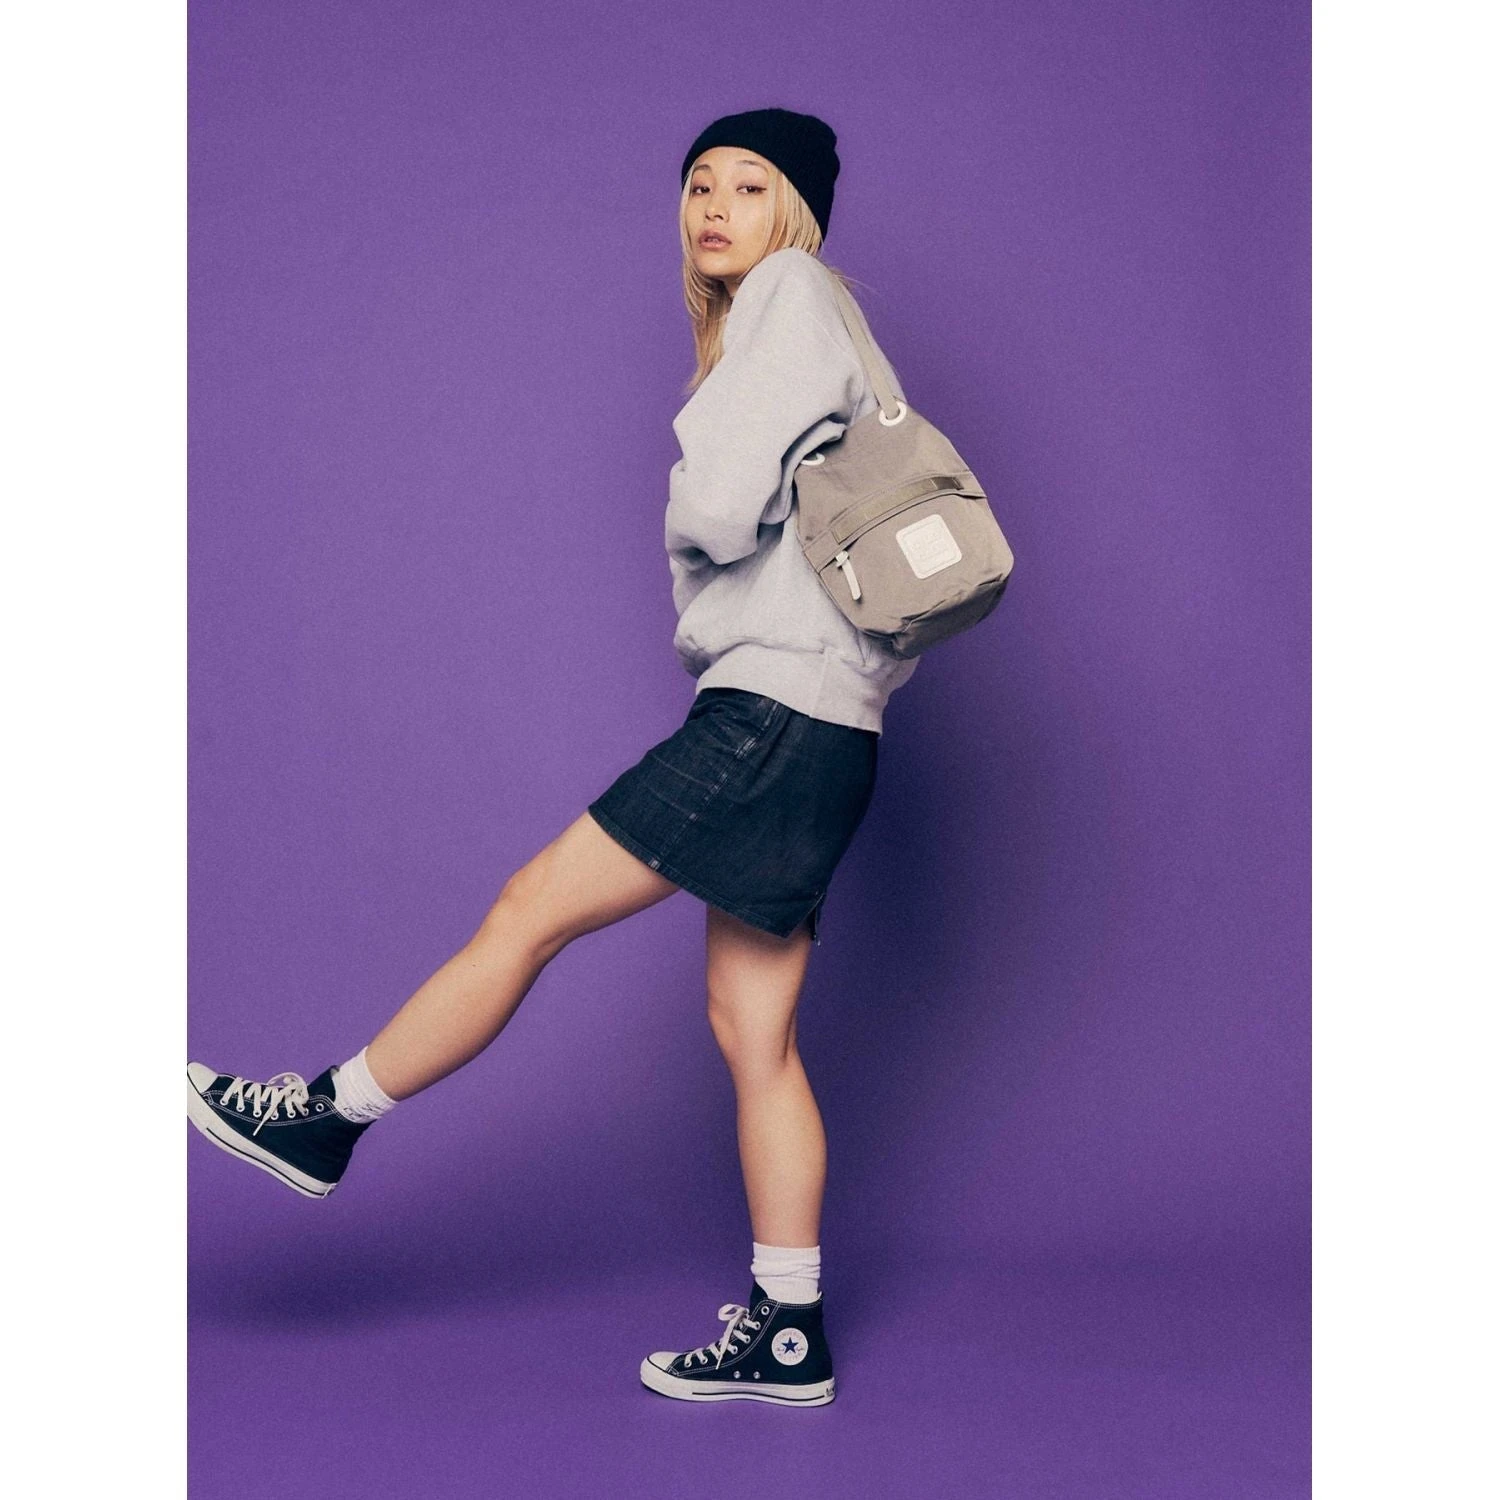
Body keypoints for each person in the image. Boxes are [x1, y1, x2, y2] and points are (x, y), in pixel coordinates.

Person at [188, 106, 920, 1408]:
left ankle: (328, 1117)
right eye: (699, 185)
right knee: (754, 1036)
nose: (716, 207)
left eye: (751, 188)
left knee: (531, 908)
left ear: (795, 217)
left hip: (768, 716)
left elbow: (719, 507)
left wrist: (698, 498)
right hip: (832, 727)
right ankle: (789, 1326)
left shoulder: (791, 295)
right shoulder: (820, 326)